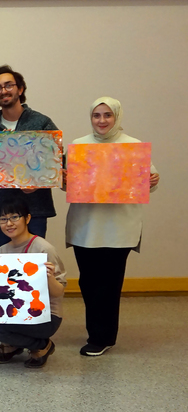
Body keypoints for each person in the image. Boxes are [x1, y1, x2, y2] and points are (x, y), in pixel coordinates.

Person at [65, 97, 160, 356]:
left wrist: (153, 179)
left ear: (117, 116)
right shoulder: (78, 145)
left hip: (119, 228)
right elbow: (67, 184)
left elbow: (149, 181)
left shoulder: (133, 146)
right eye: (97, 115)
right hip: (85, 226)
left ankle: (102, 337)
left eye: (108, 115)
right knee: (88, 282)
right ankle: (95, 331)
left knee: (109, 283)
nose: (102, 120)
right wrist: (63, 179)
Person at [0, 65, 58, 251]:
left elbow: (57, 161)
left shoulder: (42, 123)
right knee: (3, 268)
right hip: (2, 211)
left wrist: (37, 183)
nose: (4, 91)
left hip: (35, 210)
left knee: (33, 268)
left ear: (20, 89)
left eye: (9, 85)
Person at [0, 198, 66, 368]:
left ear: (27, 218)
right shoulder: (2, 250)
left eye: (15, 217)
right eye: (3, 219)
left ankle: (43, 346)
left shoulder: (43, 249)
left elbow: (59, 292)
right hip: (16, 310)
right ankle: (14, 344)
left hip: (46, 315)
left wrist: (49, 277)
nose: (9, 223)